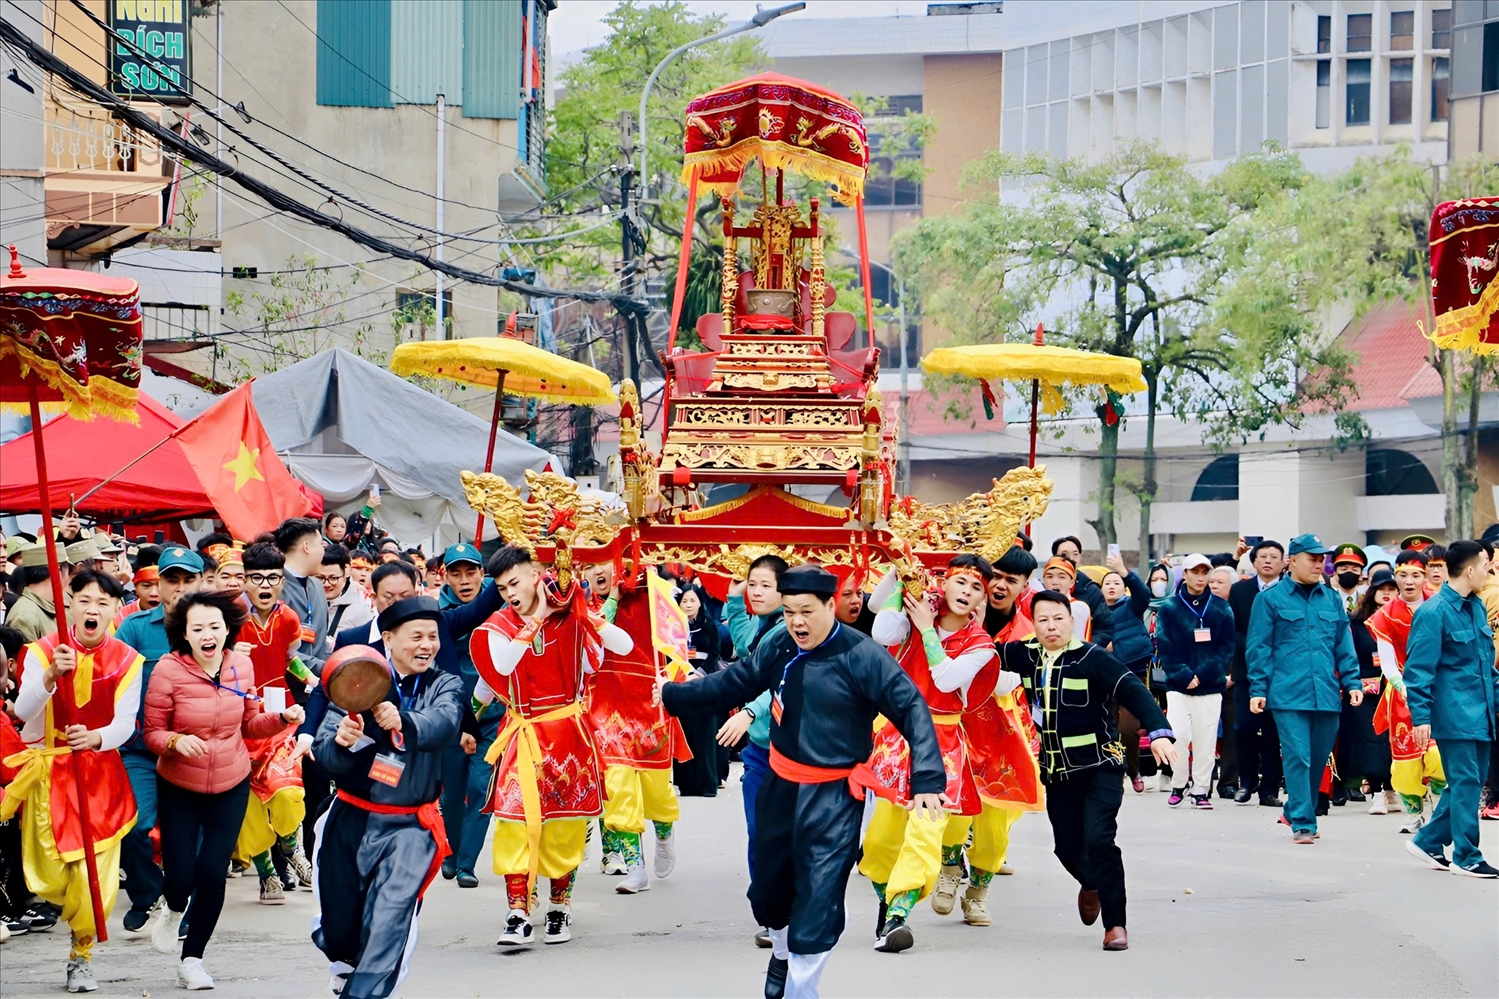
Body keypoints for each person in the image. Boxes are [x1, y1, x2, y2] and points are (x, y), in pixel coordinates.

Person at [657, 564, 943, 998]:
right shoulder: (778, 644)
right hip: (780, 784)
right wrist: (671, 695)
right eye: (789, 612)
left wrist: (926, 779)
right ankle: (783, 951)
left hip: (835, 796)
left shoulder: (862, 655)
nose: (797, 622)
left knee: (818, 893)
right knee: (768, 895)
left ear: (831, 606)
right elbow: (737, 681)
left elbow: (912, 709)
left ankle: (800, 989)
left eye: (807, 611)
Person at [997, 589, 1177, 952]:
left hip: (1101, 766)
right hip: (1058, 771)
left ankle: (1115, 925)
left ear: (1071, 620)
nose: (1051, 626)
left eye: (1058, 619)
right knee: (1066, 848)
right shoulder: (1024, 654)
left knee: (1099, 840)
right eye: (1043, 620)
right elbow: (981, 647)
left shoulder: (1092, 657)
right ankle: (1092, 882)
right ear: (1033, 624)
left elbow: (1133, 691)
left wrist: (1159, 732)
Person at [143, 590, 304, 989]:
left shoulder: (241, 666)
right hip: (181, 782)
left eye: (214, 626)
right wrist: (176, 743)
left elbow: (249, 725)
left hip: (231, 780)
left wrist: (280, 718)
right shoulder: (167, 671)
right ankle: (173, 905)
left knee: (212, 873)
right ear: (184, 633)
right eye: (197, 628)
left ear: (227, 629)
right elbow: (151, 732)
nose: (207, 634)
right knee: (181, 876)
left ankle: (192, 960)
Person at [471, 547, 631, 946]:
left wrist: (585, 615)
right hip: (523, 735)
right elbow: (501, 669)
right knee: (512, 822)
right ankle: (517, 912)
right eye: (503, 587)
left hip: (567, 737)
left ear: (536, 574)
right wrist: (467, 720)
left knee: (565, 826)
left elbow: (623, 647)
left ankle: (560, 905)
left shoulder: (571, 618)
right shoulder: (498, 624)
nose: (509, 592)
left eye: (516, 582)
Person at [311, 597, 465, 998]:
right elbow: (326, 753)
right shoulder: (354, 679)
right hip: (351, 818)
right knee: (340, 927)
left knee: (387, 925)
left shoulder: (443, 683)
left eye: (432, 637)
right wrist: (341, 742)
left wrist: (406, 720)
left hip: (411, 827)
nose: (427, 645)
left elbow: (445, 721)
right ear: (388, 638)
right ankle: (336, 945)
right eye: (416, 636)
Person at [3, 570, 142, 992]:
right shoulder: (42, 653)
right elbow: (23, 714)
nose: (93, 609)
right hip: (50, 775)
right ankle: (70, 915)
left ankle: (80, 956)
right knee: (53, 876)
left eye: (103, 602)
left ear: (116, 609)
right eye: (85, 600)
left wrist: (97, 737)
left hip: (100, 777)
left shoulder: (127, 660)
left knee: (92, 876)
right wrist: (47, 679)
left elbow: (125, 724)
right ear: (70, 605)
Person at [861, 557, 995, 951]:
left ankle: (899, 916)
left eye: (975, 588)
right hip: (898, 733)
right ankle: (888, 907)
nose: (966, 592)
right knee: (880, 841)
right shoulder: (921, 609)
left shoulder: (981, 645)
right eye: (960, 582)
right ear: (944, 582)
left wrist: (925, 631)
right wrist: (902, 575)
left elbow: (947, 677)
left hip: (943, 744)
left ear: (981, 600)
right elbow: (881, 629)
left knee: (924, 832)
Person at [1246, 534, 1363, 844]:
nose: (1318, 564)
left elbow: (1343, 644)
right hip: (1287, 692)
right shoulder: (1269, 599)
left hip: (1325, 691)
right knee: (1298, 756)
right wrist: (1258, 688)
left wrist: (1352, 682)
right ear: (1292, 561)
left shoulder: (1332, 598)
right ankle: (1303, 821)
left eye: (1321, 559)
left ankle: (1294, 807)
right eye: (1311, 558)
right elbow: (1259, 648)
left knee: (1318, 756)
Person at [579, 561, 686, 895]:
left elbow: (677, 638)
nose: (596, 571)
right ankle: (635, 866)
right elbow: (593, 639)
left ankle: (664, 833)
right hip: (606, 704)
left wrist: (675, 683)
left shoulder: (649, 593)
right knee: (619, 791)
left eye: (602, 563)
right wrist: (610, 598)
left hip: (647, 701)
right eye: (587, 565)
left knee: (657, 790)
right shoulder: (582, 605)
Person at [111, 546, 202, 932]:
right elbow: (109, 679)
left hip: (193, 750)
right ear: (158, 584)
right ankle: (147, 894)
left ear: (201, 583)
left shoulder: (213, 630)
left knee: (190, 834)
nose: (179, 588)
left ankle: (183, 905)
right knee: (133, 825)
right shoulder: (133, 628)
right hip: (141, 749)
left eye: (188, 580)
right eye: (171, 580)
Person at [1403, 540, 1499, 877]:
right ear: (1470, 569)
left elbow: (1487, 665)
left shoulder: (1475, 607)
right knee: (1466, 781)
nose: (1490, 571)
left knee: (1467, 783)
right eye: (1487, 564)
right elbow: (1417, 671)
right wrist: (1421, 717)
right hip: (1454, 712)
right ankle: (1467, 855)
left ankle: (1428, 841)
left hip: (1482, 711)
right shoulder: (1433, 612)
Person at [235, 542, 315, 902]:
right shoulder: (230, 616)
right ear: (244, 581)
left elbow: (289, 660)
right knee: (250, 801)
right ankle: (266, 873)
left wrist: (311, 678)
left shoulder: (289, 618)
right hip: (239, 715)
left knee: (286, 787)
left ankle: (289, 844)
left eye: (272, 578)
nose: (264, 585)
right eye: (256, 578)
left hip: (281, 710)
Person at [719, 554, 788, 948]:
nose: (757, 591)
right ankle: (768, 912)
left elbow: (776, 681)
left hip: (793, 750)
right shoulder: (763, 623)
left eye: (765, 585)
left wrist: (748, 711)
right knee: (758, 832)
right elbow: (745, 645)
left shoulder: (790, 629)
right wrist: (733, 601)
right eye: (753, 583)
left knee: (784, 834)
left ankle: (785, 907)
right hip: (760, 751)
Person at [435, 543, 496, 889]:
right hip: (455, 715)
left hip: (495, 710)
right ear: (444, 576)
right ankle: (451, 852)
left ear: (482, 574)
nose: (465, 579)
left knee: (480, 786)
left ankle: (467, 864)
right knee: (453, 791)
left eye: (471, 571)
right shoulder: (436, 612)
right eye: (456, 573)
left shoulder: (499, 601)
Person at [1153, 554, 1235, 809]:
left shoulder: (1222, 608)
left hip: (1210, 686)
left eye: (1204, 572)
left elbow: (1226, 648)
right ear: (1184, 574)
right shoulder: (1169, 607)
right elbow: (1164, 646)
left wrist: (1204, 675)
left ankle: (1201, 789)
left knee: (1206, 738)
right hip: (1179, 685)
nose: (1200, 577)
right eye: (1194, 572)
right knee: (1179, 734)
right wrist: (1185, 675)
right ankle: (1179, 783)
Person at [1366, 552, 1440, 830]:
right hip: (1403, 693)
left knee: (1438, 756)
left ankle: (1439, 808)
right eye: (1403, 575)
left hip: (1437, 690)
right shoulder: (1385, 616)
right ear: (1395, 577)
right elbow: (1387, 662)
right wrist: (1403, 687)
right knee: (1407, 761)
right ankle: (1414, 815)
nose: (1409, 581)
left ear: (1426, 577)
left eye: (1416, 575)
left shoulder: (1440, 605)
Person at [1228, 540, 1285, 807]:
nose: (1268, 561)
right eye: (1263, 557)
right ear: (1253, 562)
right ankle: (1247, 781)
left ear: (1285, 562)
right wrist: (1255, 645)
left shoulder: (1289, 591)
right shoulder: (1240, 591)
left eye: (1274, 557)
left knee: (1275, 732)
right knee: (1244, 728)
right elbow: (1233, 628)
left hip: (1281, 672)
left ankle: (1270, 788)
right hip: (1246, 671)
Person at [1101, 553, 1154, 793]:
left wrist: (1125, 572)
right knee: (1106, 728)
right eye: (1107, 583)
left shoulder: (1132, 606)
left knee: (1127, 729)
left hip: (1132, 673)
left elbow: (1144, 593)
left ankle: (1133, 770)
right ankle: (1112, 773)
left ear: (1124, 589)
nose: (1111, 587)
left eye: (1116, 583)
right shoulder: (1095, 613)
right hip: (1102, 678)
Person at [1346, 570, 1396, 814]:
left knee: (1394, 739)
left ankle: (1391, 788)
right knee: (1371, 738)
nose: (1386, 593)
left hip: (1396, 687)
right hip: (1368, 686)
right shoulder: (1357, 621)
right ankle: (1375, 791)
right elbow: (1349, 655)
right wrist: (1355, 683)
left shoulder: (1404, 618)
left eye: (1391, 589)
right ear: (1372, 591)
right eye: (1381, 589)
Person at [673, 583, 725, 797]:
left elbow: (715, 653)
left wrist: (700, 673)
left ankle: (708, 783)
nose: (688, 604)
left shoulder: (709, 625)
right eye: (685, 600)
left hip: (704, 681)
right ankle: (687, 784)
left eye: (692, 600)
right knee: (684, 731)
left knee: (705, 732)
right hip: (681, 679)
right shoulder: (673, 626)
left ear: (700, 603)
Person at [273, 518, 331, 672]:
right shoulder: (274, 587)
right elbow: (278, 649)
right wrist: (323, 669)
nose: (323, 552)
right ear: (306, 547)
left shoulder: (317, 586)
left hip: (319, 685)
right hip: (284, 687)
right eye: (320, 545)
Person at [1050, 537, 1114, 649]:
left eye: (1075, 554)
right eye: (1064, 554)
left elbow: (1104, 628)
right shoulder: (1045, 589)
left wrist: (1086, 648)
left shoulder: (1091, 590)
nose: (1071, 558)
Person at [7, 543, 70, 643]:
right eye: (68, 569)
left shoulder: (47, 608)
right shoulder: (25, 617)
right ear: (57, 570)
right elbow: (27, 657)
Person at [320, 545, 374, 652]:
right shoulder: (305, 604)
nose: (327, 584)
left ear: (346, 572)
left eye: (333, 578)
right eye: (320, 578)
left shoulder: (360, 611)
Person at [1041, 557, 1095, 639]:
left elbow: (1078, 641)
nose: (1055, 582)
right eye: (1049, 577)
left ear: (1072, 582)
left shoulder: (1078, 607)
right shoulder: (1039, 606)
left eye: (1061, 577)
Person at [1329, 543, 1367, 613]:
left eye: (1354, 570)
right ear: (1335, 574)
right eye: (1344, 569)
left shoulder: (1367, 601)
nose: (1349, 572)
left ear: (1361, 575)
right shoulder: (1329, 600)